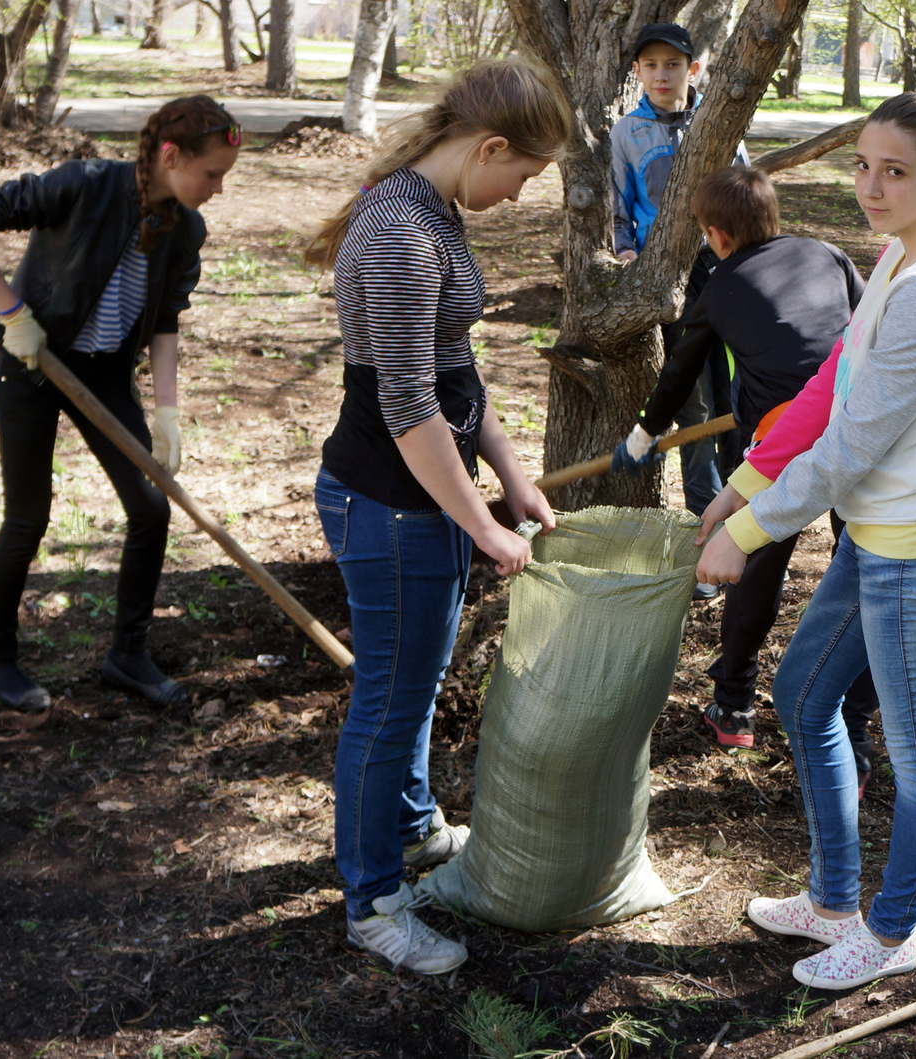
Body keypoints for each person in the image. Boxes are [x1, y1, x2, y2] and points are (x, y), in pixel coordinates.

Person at [695, 93, 916, 990]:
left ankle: (892, 928)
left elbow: (852, 446)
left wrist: (745, 535)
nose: (871, 187)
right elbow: (833, 381)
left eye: (895, 172)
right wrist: (742, 484)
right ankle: (832, 900)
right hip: (878, 535)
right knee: (799, 695)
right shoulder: (903, 256)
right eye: (862, 166)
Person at [303, 60, 569, 976]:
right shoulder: (399, 235)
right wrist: (485, 527)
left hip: (428, 498)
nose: (519, 193)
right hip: (388, 502)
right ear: (489, 147)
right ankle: (375, 900)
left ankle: (413, 831)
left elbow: (455, 372)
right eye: (524, 177)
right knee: (387, 701)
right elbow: (409, 409)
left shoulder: (432, 210)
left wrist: (512, 477)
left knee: (414, 681)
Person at [0, 95, 242, 712]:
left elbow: (165, 321)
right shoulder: (84, 185)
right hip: (33, 361)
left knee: (149, 506)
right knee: (28, 516)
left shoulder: (185, 228)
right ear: (170, 155)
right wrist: (11, 313)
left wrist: (166, 412)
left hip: (105, 374)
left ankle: (126, 656)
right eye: (211, 173)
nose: (217, 188)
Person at [613, 166, 883, 784]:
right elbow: (870, 329)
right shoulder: (828, 254)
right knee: (867, 567)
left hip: (781, 442)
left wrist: (642, 434)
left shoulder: (720, 284)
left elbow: (680, 370)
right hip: (859, 428)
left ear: (716, 235)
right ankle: (858, 729)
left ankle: (734, 703)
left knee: (756, 553)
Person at [612, 21, 745, 539]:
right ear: (637, 71)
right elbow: (619, 203)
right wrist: (626, 250)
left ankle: (741, 523)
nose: (662, 75)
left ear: (693, 69)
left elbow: (745, 192)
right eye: (651, 65)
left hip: (725, 272)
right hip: (670, 280)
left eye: (673, 64)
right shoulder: (628, 132)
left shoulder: (718, 121)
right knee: (694, 407)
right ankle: (702, 530)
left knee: (733, 398)